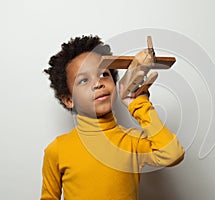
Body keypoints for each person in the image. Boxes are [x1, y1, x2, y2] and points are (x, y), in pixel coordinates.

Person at [40, 35, 185, 200]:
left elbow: (173, 153)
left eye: (103, 74)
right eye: (84, 80)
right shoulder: (57, 149)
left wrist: (138, 105)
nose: (98, 83)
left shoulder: (132, 141)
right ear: (68, 100)